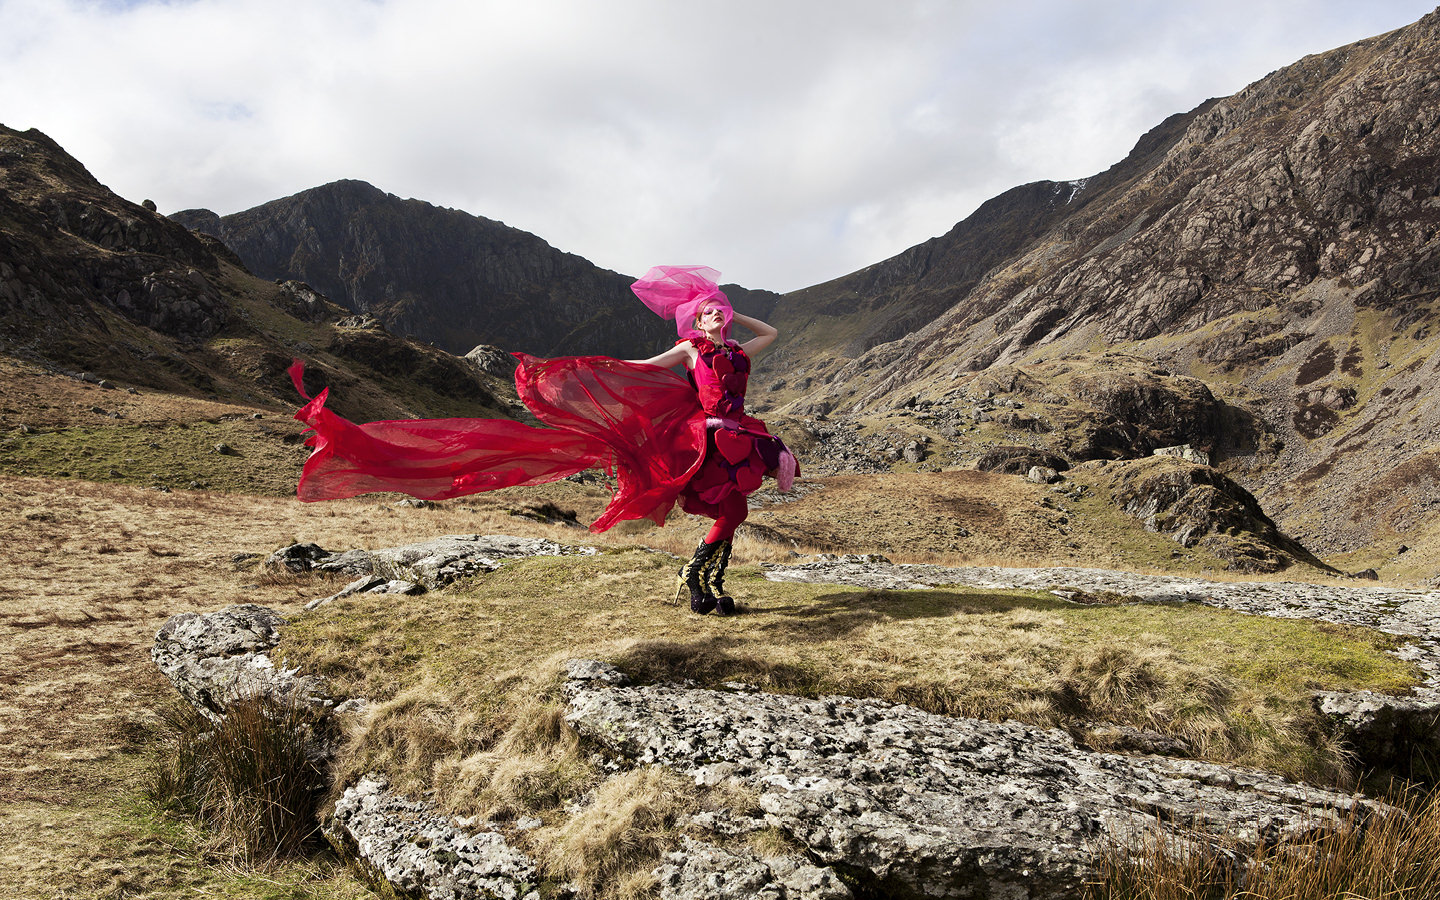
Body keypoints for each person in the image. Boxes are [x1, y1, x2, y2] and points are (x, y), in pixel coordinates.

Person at [289, 265, 796, 617]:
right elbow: (641, 369)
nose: (715, 317)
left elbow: (770, 333)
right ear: (694, 322)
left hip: (738, 432)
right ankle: (699, 581)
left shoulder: (739, 350)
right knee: (733, 511)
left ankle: (705, 582)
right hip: (704, 434)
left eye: (718, 312)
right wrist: (585, 372)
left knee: (736, 511)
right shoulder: (690, 351)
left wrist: (733, 312)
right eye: (707, 312)